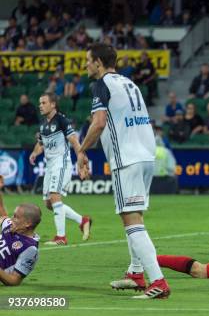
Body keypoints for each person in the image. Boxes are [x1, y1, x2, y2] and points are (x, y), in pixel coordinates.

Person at [77, 43, 170, 299]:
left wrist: (81, 150)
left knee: (131, 219)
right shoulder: (129, 83)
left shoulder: (101, 85)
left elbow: (98, 123)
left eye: (87, 60)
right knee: (134, 215)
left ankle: (158, 282)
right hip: (146, 156)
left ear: (98, 62)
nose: (85, 65)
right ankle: (136, 273)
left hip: (126, 158)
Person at [28, 93, 92, 245]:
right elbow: (41, 144)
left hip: (61, 163)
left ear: (53, 104)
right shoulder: (43, 124)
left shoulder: (62, 121)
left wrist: (81, 160)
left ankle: (61, 237)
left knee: (55, 195)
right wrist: (34, 153)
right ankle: (82, 220)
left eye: (43, 103)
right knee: (49, 203)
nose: (40, 106)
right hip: (50, 166)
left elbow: (75, 141)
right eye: (40, 103)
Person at [0, 202, 42, 286]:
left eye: (16, 217)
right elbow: (2, 217)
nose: (12, 219)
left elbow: (14, 281)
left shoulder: (30, 248)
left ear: (27, 223)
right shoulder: (9, 225)